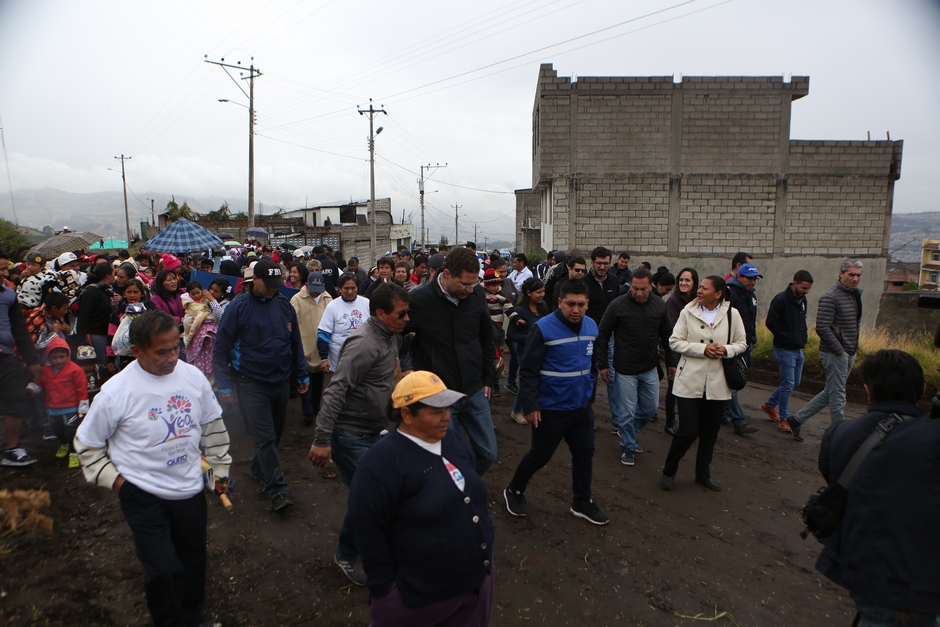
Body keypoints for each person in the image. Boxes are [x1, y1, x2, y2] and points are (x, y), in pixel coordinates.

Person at [74, 309, 232, 627]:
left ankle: (193, 618)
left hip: (189, 489)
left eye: (176, 347)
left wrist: (219, 472)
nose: (173, 357)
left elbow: (213, 426)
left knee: (193, 561)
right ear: (137, 351)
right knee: (162, 569)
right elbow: (87, 445)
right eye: (162, 351)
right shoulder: (116, 392)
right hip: (142, 494)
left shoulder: (193, 378)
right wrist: (120, 485)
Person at [348, 371, 494, 626]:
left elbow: (471, 491)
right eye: (436, 411)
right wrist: (386, 592)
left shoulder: (452, 440)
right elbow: (368, 529)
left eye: (447, 408)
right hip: (421, 597)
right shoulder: (381, 464)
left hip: (474, 585)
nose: (447, 416)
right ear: (407, 414)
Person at [814, 350, 939, 626]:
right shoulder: (932, 437)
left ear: (868, 391)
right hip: (922, 581)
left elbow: (833, 477)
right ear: (923, 389)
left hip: (862, 572)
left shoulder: (838, 434)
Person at [309, 283, 412, 587]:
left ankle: (372, 546)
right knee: (371, 495)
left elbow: (383, 382)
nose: (407, 319)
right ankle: (348, 554)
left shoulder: (390, 338)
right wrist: (322, 439)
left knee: (376, 493)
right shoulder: (364, 343)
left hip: (373, 431)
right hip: (349, 433)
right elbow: (335, 391)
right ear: (380, 313)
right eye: (401, 314)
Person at [504, 280, 608, 525]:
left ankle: (581, 502)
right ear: (560, 301)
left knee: (585, 454)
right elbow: (528, 370)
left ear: (587, 304)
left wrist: (591, 398)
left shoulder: (592, 326)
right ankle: (514, 490)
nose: (576, 309)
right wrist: (531, 405)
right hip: (551, 408)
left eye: (581, 304)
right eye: (570, 304)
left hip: (581, 408)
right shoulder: (542, 329)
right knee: (540, 456)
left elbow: (591, 367)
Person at [213, 259, 308, 512]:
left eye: (276, 284)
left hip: (281, 381)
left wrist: (301, 374)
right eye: (268, 284)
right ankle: (277, 490)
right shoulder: (237, 308)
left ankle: (257, 466)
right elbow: (220, 349)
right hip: (251, 383)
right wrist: (224, 385)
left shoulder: (284, 305)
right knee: (265, 438)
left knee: (275, 434)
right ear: (254, 280)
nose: (272, 289)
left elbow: (295, 342)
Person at [405, 246, 498, 475]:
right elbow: (397, 336)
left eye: (474, 284)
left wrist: (488, 378)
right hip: (440, 394)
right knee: (449, 455)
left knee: (488, 452)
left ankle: (464, 482)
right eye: (464, 284)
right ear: (446, 274)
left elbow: (487, 338)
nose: (470, 290)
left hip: (475, 389)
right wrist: (408, 368)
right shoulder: (419, 299)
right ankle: (455, 489)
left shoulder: (476, 296)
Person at [661, 276, 747, 492]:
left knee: (710, 433)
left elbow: (742, 343)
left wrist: (726, 350)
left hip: (717, 383)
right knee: (688, 431)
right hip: (689, 380)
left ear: (718, 294)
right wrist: (703, 349)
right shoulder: (687, 312)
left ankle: (703, 474)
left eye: (704, 288)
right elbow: (674, 342)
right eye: (699, 287)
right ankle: (669, 470)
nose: (699, 291)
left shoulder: (732, 314)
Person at [596, 268, 674, 466]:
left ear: (651, 286)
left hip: (649, 367)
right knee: (627, 411)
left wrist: (672, 362)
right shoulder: (618, 305)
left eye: (643, 289)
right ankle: (629, 445)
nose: (639, 293)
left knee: (650, 407)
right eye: (635, 288)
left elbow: (667, 334)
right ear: (629, 286)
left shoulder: (659, 305)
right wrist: (602, 364)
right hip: (624, 369)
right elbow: (603, 334)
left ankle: (627, 428)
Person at [787, 260, 863, 439]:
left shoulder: (854, 294)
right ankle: (839, 436)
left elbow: (855, 323)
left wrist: (851, 349)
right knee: (838, 395)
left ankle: (796, 420)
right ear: (841, 273)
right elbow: (822, 327)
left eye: (858, 275)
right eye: (851, 274)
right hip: (834, 353)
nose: (855, 278)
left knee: (831, 392)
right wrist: (840, 351)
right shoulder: (830, 296)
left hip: (848, 351)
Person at [761, 270, 814, 436]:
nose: (806, 291)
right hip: (784, 349)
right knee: (788, 383)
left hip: (797, 348)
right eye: (804, 287)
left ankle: (770, 405)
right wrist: (787, 338)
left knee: (794, 382)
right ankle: (784, 418)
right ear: (795, 283)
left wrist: (800, 339)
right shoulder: (781, 299)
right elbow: (771, 322)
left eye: (808, 288)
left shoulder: (802, 299)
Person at [36, 336, 88, 467]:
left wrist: (83, 406)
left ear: (68, 355)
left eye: (61, 357)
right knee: (57, 430)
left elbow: (81, 388)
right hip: (53, 408)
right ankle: (65, 444)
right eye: (54, 357)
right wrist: (32, 389)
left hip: (70, 407)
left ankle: (74, 452)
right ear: (49, 357)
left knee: (71, 431)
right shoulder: (45, 371)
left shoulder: (75, 369)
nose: (58, 360)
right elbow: (40, 383)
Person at [724, 262, 762, 435]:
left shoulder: (750, 295)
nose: (752, 282)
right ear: (739, 276)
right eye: (749, 278)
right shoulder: (730, 293)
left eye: (755, 279)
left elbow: (750, 320)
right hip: (732, 346)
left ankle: (722, 413)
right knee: (732, 383)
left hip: (746, 344)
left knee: (733, 382)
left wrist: (752, 339)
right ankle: (739, 421)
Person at [290, 272, 333, 425]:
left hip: (321, 347)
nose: (316, 292)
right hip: (304, 345)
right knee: (305, 379)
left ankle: (316, 407)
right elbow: (291, 322)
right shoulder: (296, 300)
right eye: (312, 289)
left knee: (319, 381)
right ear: (306, 285)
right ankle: (307, 411)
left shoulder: (327, 299)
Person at [507, 278, 547, 424]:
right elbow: (511, 334)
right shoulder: (519, 311)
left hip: (541, 351)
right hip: (524, 352)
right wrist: (531, 338)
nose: (542, 295)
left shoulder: (543, 307)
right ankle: (517, 410)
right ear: (529, 293)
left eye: (543, 291)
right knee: (528, 382)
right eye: (538, 292)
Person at [664, 267, 699, 435]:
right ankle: (670, 421)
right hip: (677, 351)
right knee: (674, 386)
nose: (684, 283)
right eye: (682, 280)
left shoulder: (698, 301)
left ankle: (690, 421)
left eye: (688, 280)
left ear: (694, 283)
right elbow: (673, 328)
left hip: (694, 351)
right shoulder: (673, 301)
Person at [318, 273, 371, 373]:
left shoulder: (367, 304)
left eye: (353, 288)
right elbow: (323, 334)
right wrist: (324, 358)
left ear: (357, 287)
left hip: (363, 359)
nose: (350, 291)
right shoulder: (332, 307)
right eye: (346, 288)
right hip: (338, 362)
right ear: (340, 289)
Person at [75, 261, 116, 377]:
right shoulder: (92, 292)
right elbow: (83, 315)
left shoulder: (106, 291)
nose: (115, 276)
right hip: (94, 334)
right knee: (99, 364)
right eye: (114, 273)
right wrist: (81, 339)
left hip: (105, 334)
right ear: (108, 275)